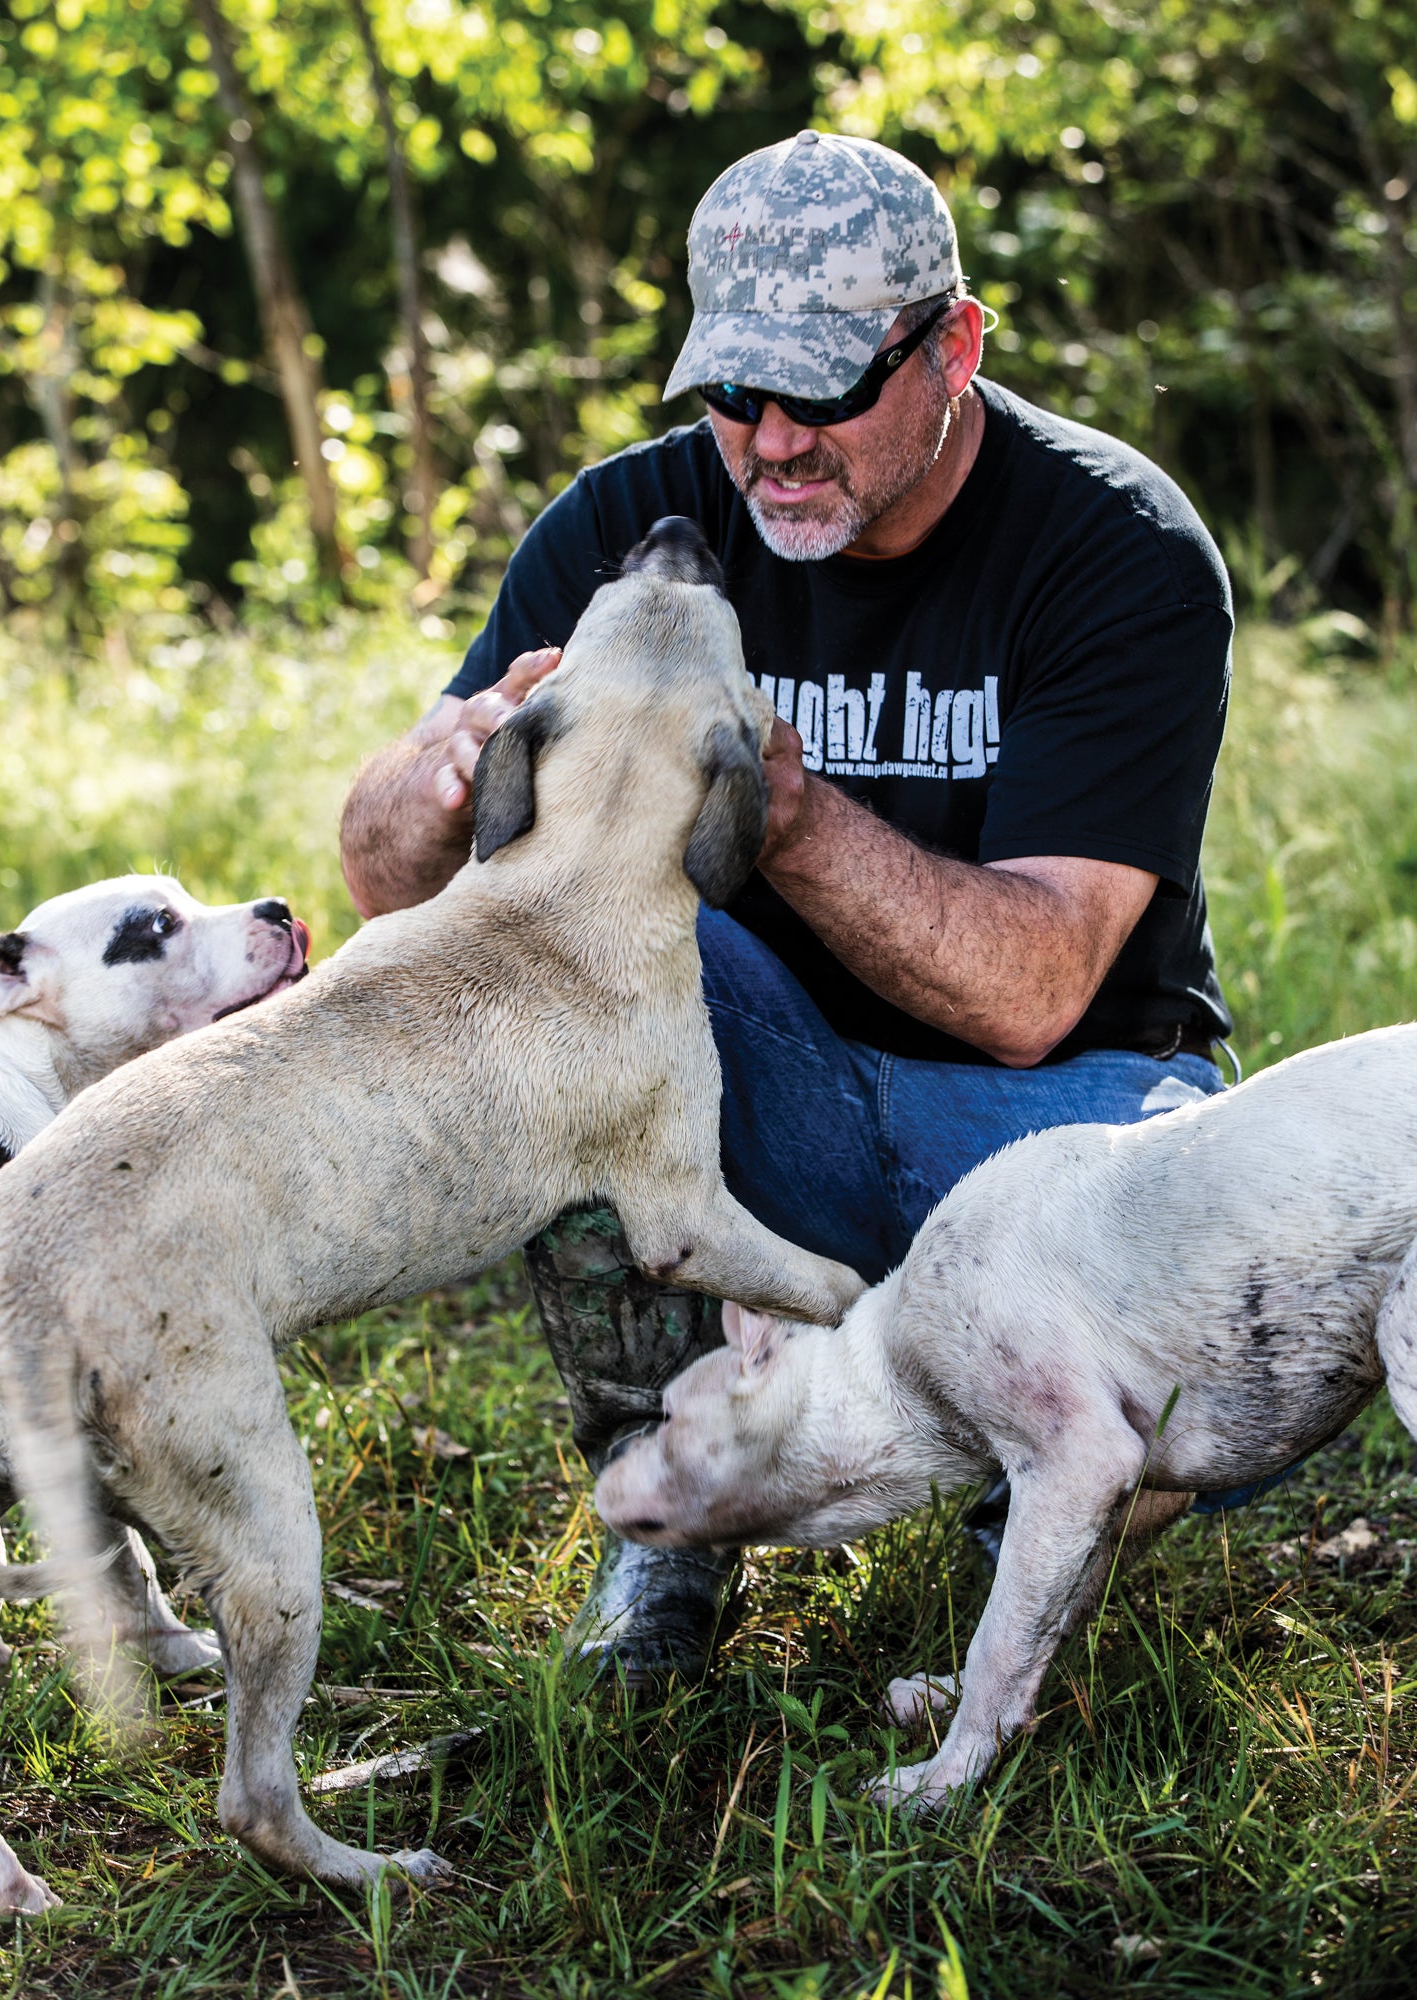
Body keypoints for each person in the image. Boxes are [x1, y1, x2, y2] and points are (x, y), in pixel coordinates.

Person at [339, 130, 1235, 1686]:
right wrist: (430, 779)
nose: (769, 443)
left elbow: (1034, 991)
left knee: (1223, 1290)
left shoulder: (1115, 545)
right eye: (731, 395)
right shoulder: (631, 526)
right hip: (756, 1095)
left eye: (820, 392)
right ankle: (661, 1531)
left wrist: (790, 812)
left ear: (954, 344)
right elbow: (387, 889)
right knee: (541, 982)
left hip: (1056, 1116)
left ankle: (1027, 1495)